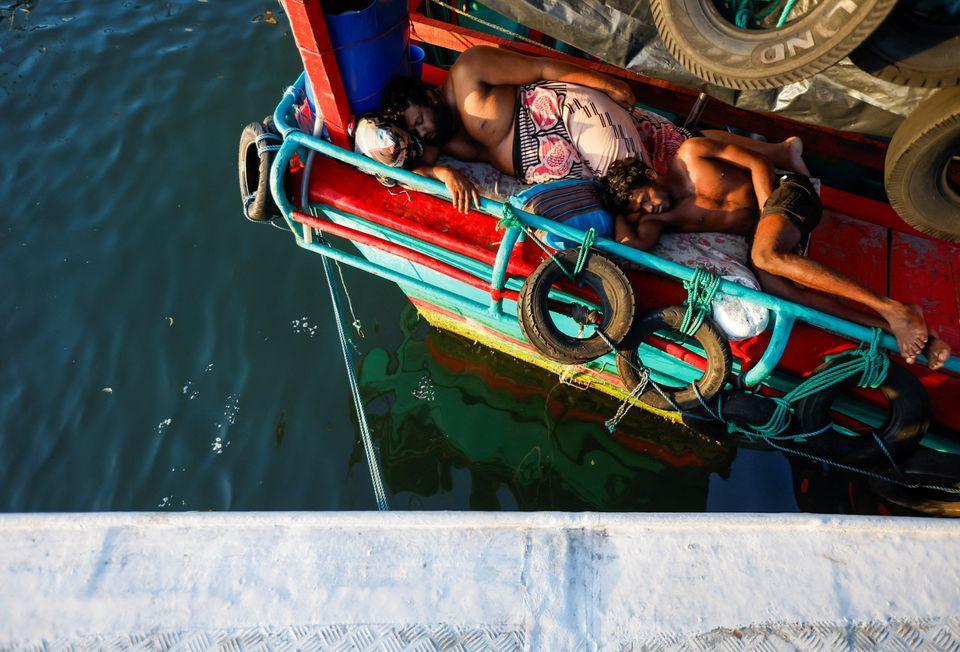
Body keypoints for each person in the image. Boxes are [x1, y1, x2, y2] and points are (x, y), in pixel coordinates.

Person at [600, 139, 951, 370]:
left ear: (650, 175)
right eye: (639, 210)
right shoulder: (660, 220)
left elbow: (758, 163)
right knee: (784, 294)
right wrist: (619, 214)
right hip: (765, 233)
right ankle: (893, 329)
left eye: (644, 198)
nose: (650, 208)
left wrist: (769, 211)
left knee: (766, 256)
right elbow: (631, 248)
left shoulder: (691, 153)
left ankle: (894, 309)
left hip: (785, 193)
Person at [380, 45, 809, 213]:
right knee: (664, 163)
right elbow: (415, 164)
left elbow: (542, 68)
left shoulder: (468, 70)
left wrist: (605, 84)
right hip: (553, 165)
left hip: (565, 116)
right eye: (416, 131)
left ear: (429, 96)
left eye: (420, 120)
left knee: (647, 179)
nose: (424, 132)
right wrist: (444, 172)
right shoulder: (440, 136)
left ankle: (773, 184)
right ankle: (776, 161)